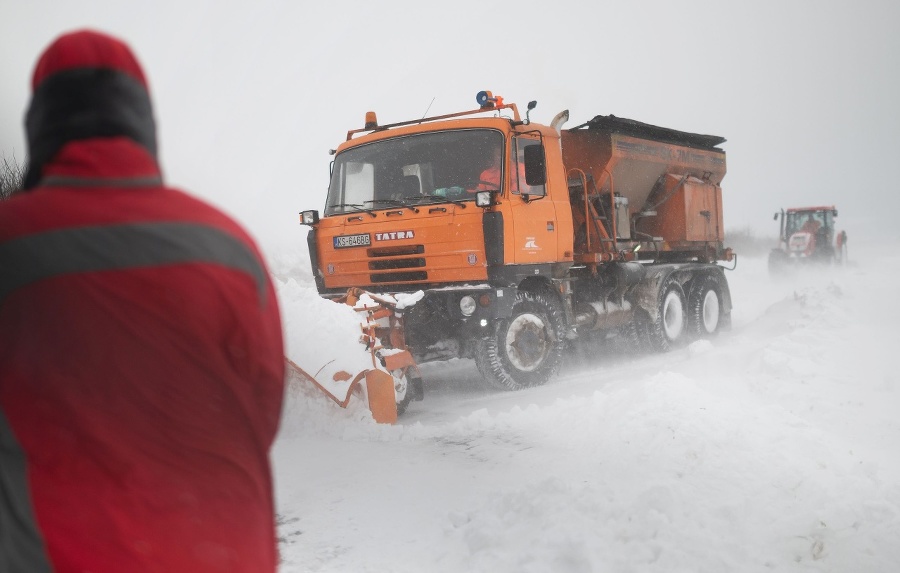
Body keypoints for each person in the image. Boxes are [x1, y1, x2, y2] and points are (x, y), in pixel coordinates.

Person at [0, 30, 285, 572]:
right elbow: (260, 408)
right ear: (141, 123)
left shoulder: (9, 242)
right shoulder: (229, 244)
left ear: (41, 126)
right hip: (224, 553)